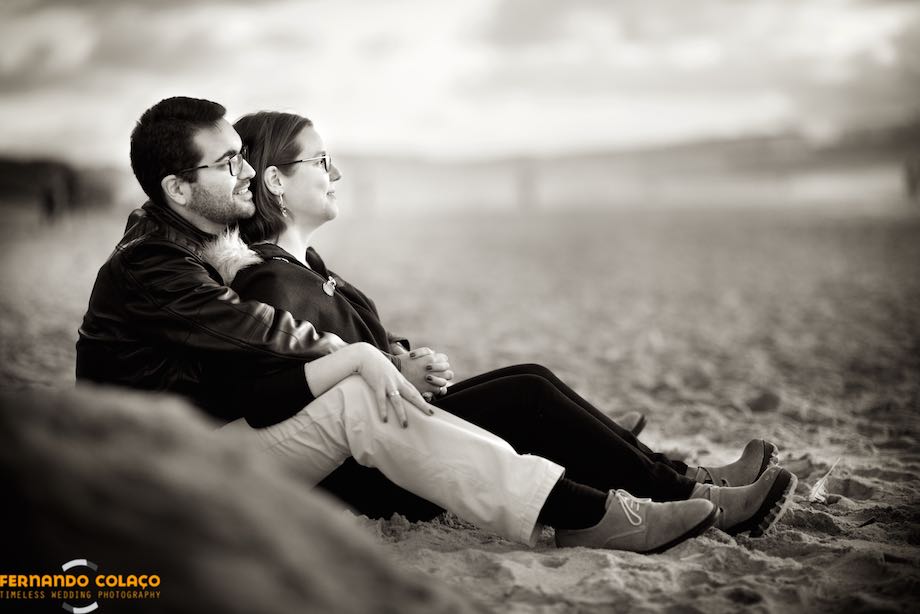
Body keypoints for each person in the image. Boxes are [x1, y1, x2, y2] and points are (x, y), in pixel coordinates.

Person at [74, 96, 724, 554]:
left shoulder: (198, 238)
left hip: (215, 443)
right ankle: (590, 512)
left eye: (243, 155)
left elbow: (254, 350)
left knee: (404, 384)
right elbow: (257, 331)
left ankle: (600, 497)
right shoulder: (154, 262)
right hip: (167, 476)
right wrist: (358, 355)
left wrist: (379, 353)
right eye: (226, 164)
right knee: (365, 390)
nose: (244, 172)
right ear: (178, 189)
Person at [211, 110, 797, 539]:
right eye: (320, 160)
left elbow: (348, 345)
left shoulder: (303, 267)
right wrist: (394, 367)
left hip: (399, 435)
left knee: (529, 385)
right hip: (375, 469)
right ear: (276, 181)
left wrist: (404, 359)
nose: (334, 172)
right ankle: (687, 489)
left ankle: (678, 476)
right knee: (528, 393)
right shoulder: (270, 282)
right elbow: (298, 393)